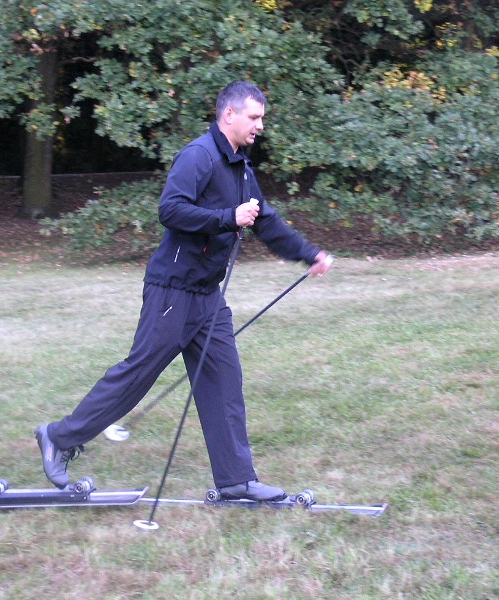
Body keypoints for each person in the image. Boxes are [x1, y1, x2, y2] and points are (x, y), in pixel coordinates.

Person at [35, 81, 331, 501]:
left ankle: (236, 481)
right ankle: (58, 438)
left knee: (223, 381)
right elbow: (170, 210)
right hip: (172, 290)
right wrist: (228, 216)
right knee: (137, 375)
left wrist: (310, 254)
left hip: (208, 296)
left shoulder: (240, 166)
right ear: (229, 115)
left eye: (261, 118)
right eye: (254, 117)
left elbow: (265, 221)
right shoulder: (199, 156)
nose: (260, 125)